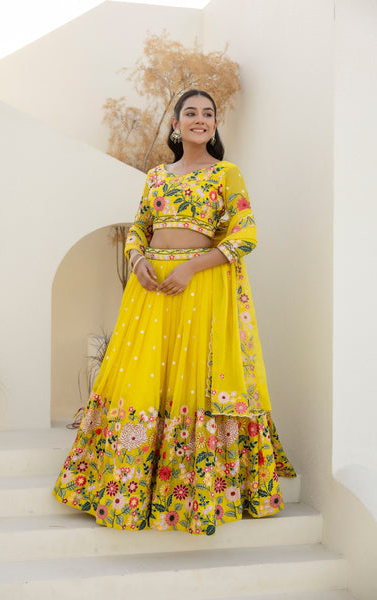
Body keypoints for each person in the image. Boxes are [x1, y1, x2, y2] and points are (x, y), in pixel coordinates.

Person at [53, 89, 296, 536]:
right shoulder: (157, 177)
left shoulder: (226, 174)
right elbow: (139, 228)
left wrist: (190, 268)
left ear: (215, 125)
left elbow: (245, 235)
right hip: (151, 292)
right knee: (141, 383)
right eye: (191, 113)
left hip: (198, 291)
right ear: (176, 124)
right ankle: (126, 489)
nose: (200, 119)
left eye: (208, 114)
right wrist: (137, 259)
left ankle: (187, 497)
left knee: (189, 385)